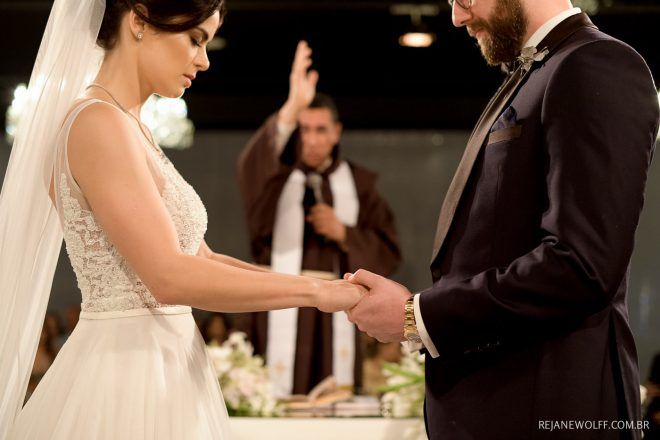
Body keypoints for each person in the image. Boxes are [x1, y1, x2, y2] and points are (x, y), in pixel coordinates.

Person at [0, 1, 365, 438]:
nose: (204, 60)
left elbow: (201, 258)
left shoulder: (131, 126)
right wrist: (314, 293)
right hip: (128, 374)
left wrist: (322, 284)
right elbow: (169, 276)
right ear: (138, 21)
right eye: (195, 39)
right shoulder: (97, 122)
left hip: (166, 364)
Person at [346, 0, 659, 439]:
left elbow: (581, 266)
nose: (457, 16)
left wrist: (416, 316)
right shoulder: (537, 72)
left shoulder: (595, 64)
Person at [236, 41, 401, 396]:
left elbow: (389, 252)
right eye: (304, 129)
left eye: (321, 129)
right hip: (281, 305)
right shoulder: (275, 181)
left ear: (336, 132)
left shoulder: (360, 186)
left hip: (334, 315)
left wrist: (345, 234)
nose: (311, 140)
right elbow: (249, 167)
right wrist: (290, 108)